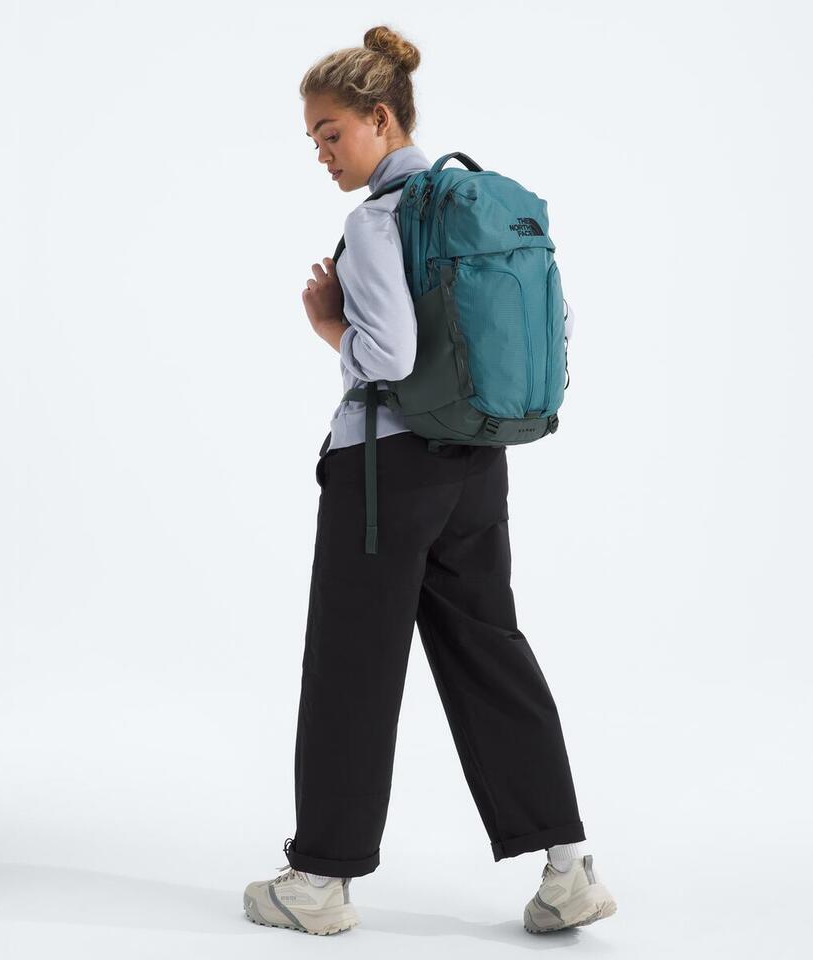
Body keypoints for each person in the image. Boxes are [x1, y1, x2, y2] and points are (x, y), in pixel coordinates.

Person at [243, 25, 617, 937]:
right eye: (313, 139)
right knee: (491, 650)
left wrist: (329, 326)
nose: (322, 153)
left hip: (385, 474)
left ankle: (318, 883)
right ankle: (568, 869)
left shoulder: (379, 221)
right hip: (476, 462)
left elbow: (390, 357)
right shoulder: (487, 205)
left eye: (331, 132)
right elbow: (557, 323)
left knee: (352, 665)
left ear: (381, 118)